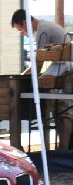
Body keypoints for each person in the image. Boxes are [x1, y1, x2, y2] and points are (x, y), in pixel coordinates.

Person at [11, 9, 73, 150]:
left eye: (21, 30)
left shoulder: (42, 30)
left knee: (64, 112)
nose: (23, 34)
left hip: (66, 68)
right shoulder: (44, 27)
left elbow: (39, 62)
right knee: (61, 111)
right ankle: (62, 148)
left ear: (25, 22)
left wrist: (26, 76)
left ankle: (63, 150)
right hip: (62, 66)